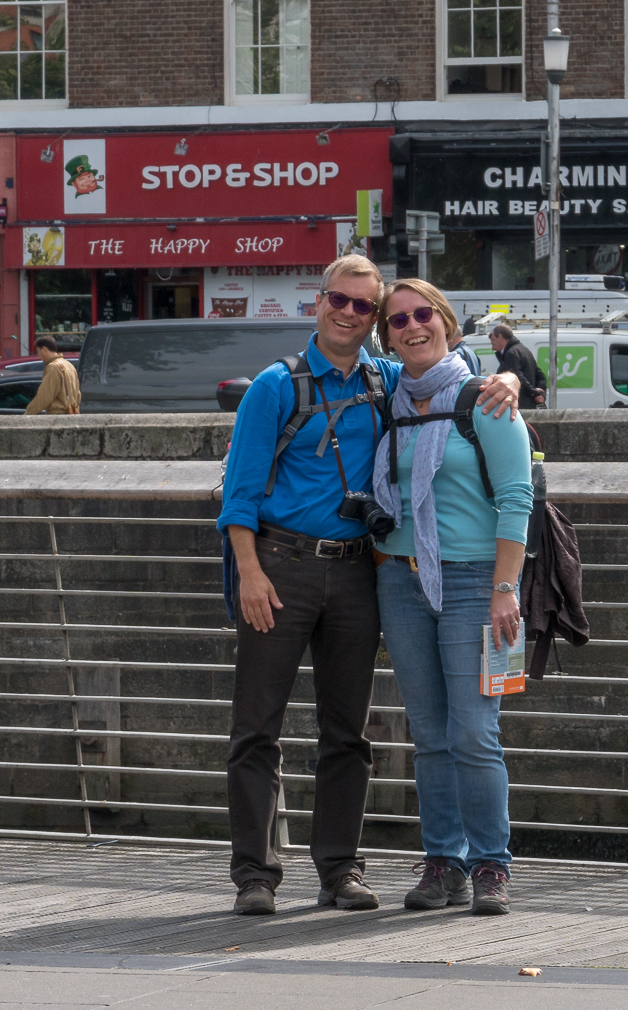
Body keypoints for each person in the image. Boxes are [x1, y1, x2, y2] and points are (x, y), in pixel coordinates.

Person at [217, 255, 520, 918]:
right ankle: (255, 875)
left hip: (360, 569)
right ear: (318, 303)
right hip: (282, 566)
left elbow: (445, 370)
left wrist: (509, 375)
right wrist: (249, 571)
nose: (350, 314)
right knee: (257, 727)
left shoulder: (387, 380)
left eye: (365, 305)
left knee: (348, 731)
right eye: (340, 300)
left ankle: (338, 871)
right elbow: (236, 493)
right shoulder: (275, 386)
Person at [371, 278, 534, 918]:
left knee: (473, 733)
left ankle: (492, 864)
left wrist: (504, 588)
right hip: (401, 580)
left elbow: (518, 497)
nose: (413, 327)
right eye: (398, 320)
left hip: (475, 584)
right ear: (387, 336)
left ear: (446, 323)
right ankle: (444, 862)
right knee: (430, 736)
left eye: (424, 316)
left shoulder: (485, 398)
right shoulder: (391, 399)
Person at [488, 324, 546, 408]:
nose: (493, 348)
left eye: (493, 340)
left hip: (518, 405)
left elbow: (516, 378)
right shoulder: (524, 349)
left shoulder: (511, 354)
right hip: (529, 405)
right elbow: (540, 376)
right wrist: (540, 394)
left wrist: (535, 393)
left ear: (500, 337)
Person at [22, 336, 80, 415]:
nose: (39, 356)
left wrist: (28, 414)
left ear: (44, 349)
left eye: (39, 351)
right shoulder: (69, 365)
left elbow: (44, 396)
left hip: (57, 415)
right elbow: (78, 394)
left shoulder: (53, 367)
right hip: (72, 413)